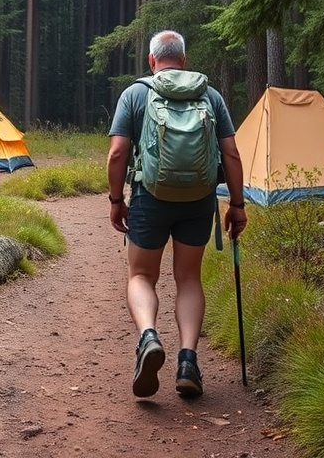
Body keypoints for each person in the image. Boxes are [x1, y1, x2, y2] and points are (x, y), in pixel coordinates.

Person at [106, 30, 247, 399]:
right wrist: (236, 204)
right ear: (183, 60)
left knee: (141, 275)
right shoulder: (209, 95)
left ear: (152, 61)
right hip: (198, 200)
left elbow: (118, 153)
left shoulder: (136, 93)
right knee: (188, 278)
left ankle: (148, 337)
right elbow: (230, 154)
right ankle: (188, 361)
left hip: (150, 198)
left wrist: (116, 199)